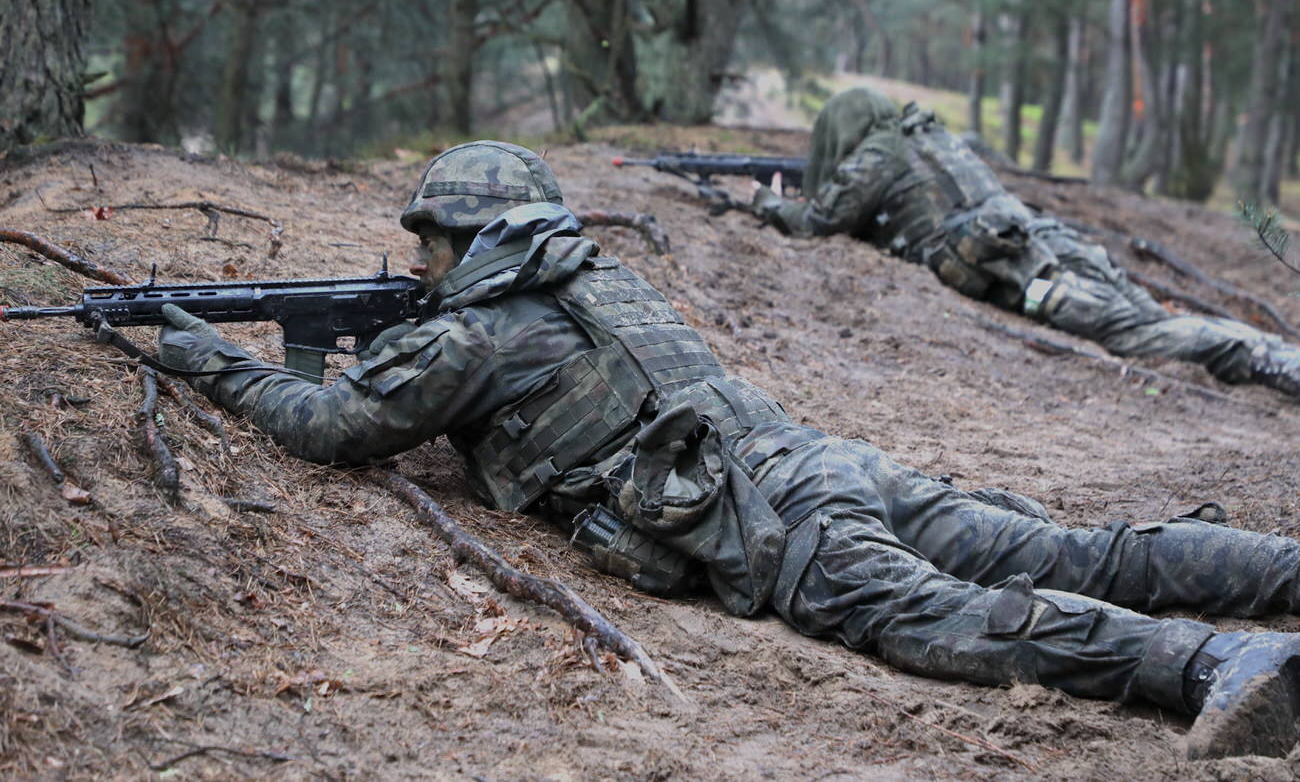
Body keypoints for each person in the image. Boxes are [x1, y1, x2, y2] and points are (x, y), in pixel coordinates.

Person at [158, 140, 1300, 760]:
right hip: (828, 461)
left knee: (948, 619)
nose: (416, 263)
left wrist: (208, 355)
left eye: (431, 241)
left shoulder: (474, 335)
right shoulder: (604, 280)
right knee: (1070, 550)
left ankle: (1212, 667)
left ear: (472, 237)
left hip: (781, 518)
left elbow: (326, 428)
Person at [751, 87, 1300, 399]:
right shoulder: (927, 134)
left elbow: (819, 220)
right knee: (1146, 313)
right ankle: (1271, 349)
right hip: (1047, 239)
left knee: (1137, 332)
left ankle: (1271, 362)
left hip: (1022, 270)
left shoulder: (879, 153)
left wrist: (767, 201)